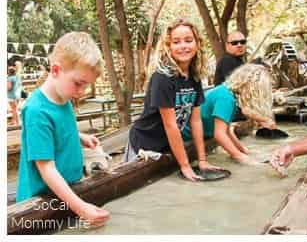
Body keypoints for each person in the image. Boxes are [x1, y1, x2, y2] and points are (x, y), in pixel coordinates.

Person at [16, 33, 109, 227]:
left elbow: (59, 128)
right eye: (78, 83)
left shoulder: (63, 98)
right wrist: (81, 208)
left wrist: (79, 136)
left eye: (86, 85)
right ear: (56, 70)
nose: (81, 92)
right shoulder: (36, 111)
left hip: (66, 192)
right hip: (40, 202)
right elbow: (47, 168)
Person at [126, 19, 221, 182]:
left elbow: (196, 121)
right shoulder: (162, 78)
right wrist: (185, 165)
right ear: (168, 47)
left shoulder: (194, 77)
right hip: (144, 144)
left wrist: (202, 160)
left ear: (197, 43)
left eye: (188, 40)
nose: (183, 46)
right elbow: (170, 125)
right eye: (176, 42)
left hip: (168, 146)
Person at [182, 63, 281, 164]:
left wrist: (242, 150)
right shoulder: (226, 98)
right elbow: (219, 134)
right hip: (186, 135)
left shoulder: (227, 93)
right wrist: (240, 157)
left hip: (200, 132)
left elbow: (227, 130)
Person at [7, 62, 23, 126]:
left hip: (11, 96)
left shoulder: (10, 78)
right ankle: (14, 122)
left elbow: (9, 88)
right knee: (14, 109)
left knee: (14, 109)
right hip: (17, 95)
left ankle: (17, 123)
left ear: (9, 72)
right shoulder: (17, 77)